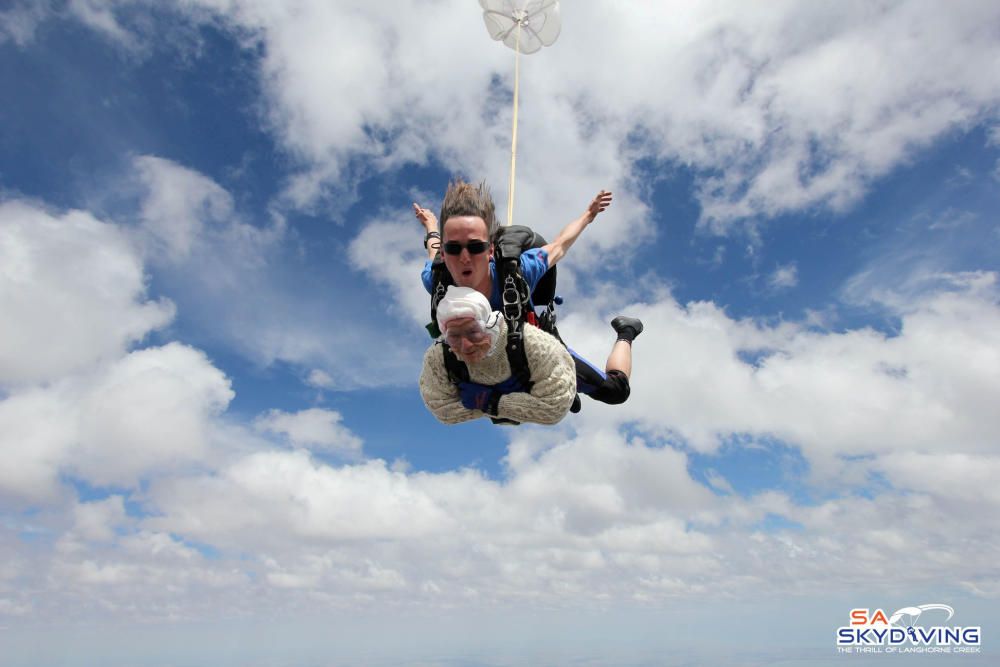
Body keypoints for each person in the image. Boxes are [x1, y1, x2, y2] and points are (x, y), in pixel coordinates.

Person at [415, 179, 642, 406]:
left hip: (530, 353)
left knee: (615, 392)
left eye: (475, 247)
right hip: (481, 364)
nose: (465, 258)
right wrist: (431, 225)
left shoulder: (519, 273)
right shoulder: (438, 283)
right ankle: (550, 390)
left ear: (490, 251)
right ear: (444, 255)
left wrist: (588, 215)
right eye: (454, 249)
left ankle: (626, 332)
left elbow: (559, 245)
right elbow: (433, 249)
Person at [419, 286, 576, 425]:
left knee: (596, 386)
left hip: (548, 365)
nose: (465, 345)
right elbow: (442, 411)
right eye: (454, 336)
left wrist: (491, 403)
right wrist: (517, 403)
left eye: (473, 332)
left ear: (490, 326)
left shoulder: (534, 343)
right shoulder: (439, 356)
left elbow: (555, 407)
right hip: (530, 387)